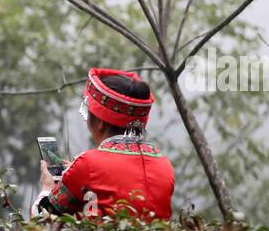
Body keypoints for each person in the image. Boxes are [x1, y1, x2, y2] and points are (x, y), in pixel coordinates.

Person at [36, 68, 174, 221]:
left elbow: (42, 221)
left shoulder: (88, 164)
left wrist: (47, 188)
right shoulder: (164, 165)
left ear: (100, 122)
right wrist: (74, 172)